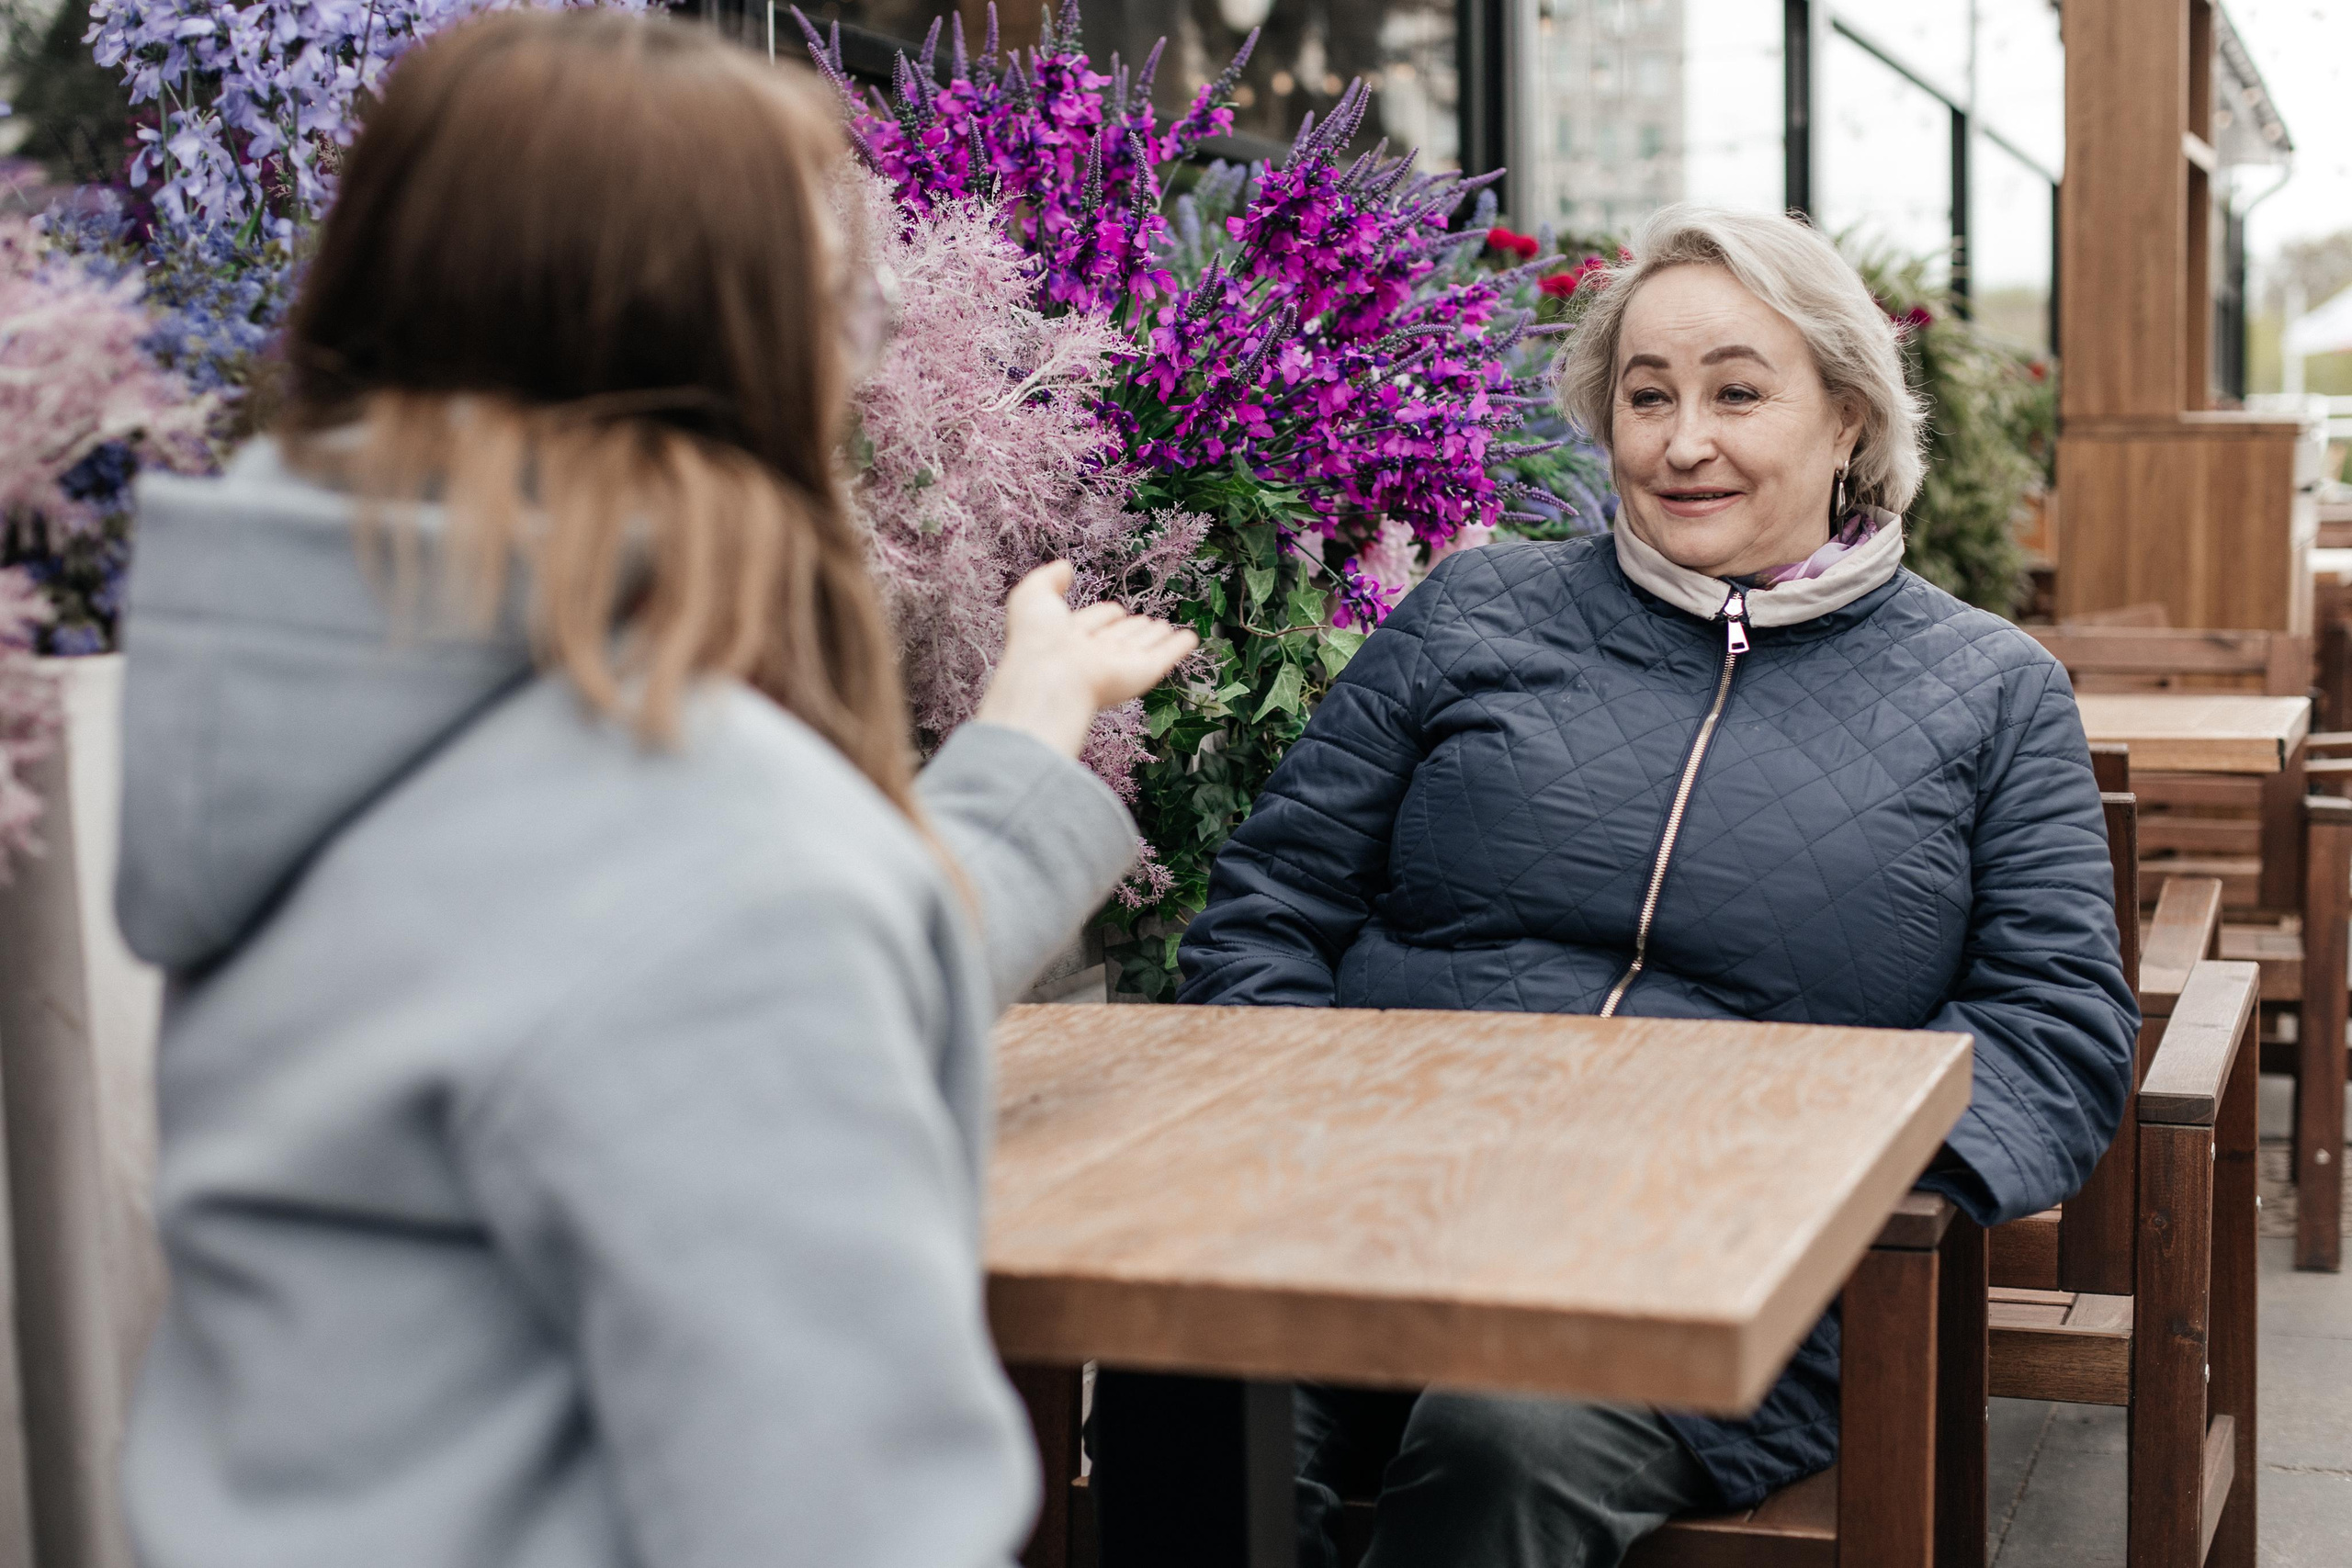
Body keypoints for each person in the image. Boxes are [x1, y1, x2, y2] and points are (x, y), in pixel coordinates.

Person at [113, 13, 1194, 1568]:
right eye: (846, 296)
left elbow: (730, 987)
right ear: (746, 351)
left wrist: (1025, 731)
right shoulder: (710, 849)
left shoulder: (359, 748)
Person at [1091, 204, 2139, 1568]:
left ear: (1851, 421)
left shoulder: (1994, 691)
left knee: (1502, 1442)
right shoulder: (1472, 615)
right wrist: (1313, 1129)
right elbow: (1273, 905)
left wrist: (1808, 1183)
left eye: (1737, 393)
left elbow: (2055, 1029)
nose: (1681, 441)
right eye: (1647, 396)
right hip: (1366, 1198)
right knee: (1182, 1376)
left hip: (1707, 1261)